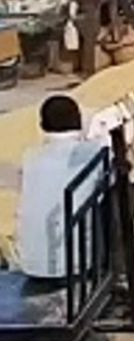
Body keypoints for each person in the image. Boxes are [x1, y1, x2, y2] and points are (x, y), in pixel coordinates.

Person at [16, 96, 107, 279]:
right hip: (76, 266)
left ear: (42, 126)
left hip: (30, 265)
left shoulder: (30, 156)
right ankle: (115, 269)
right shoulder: (95, 152)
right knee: (120, 189)